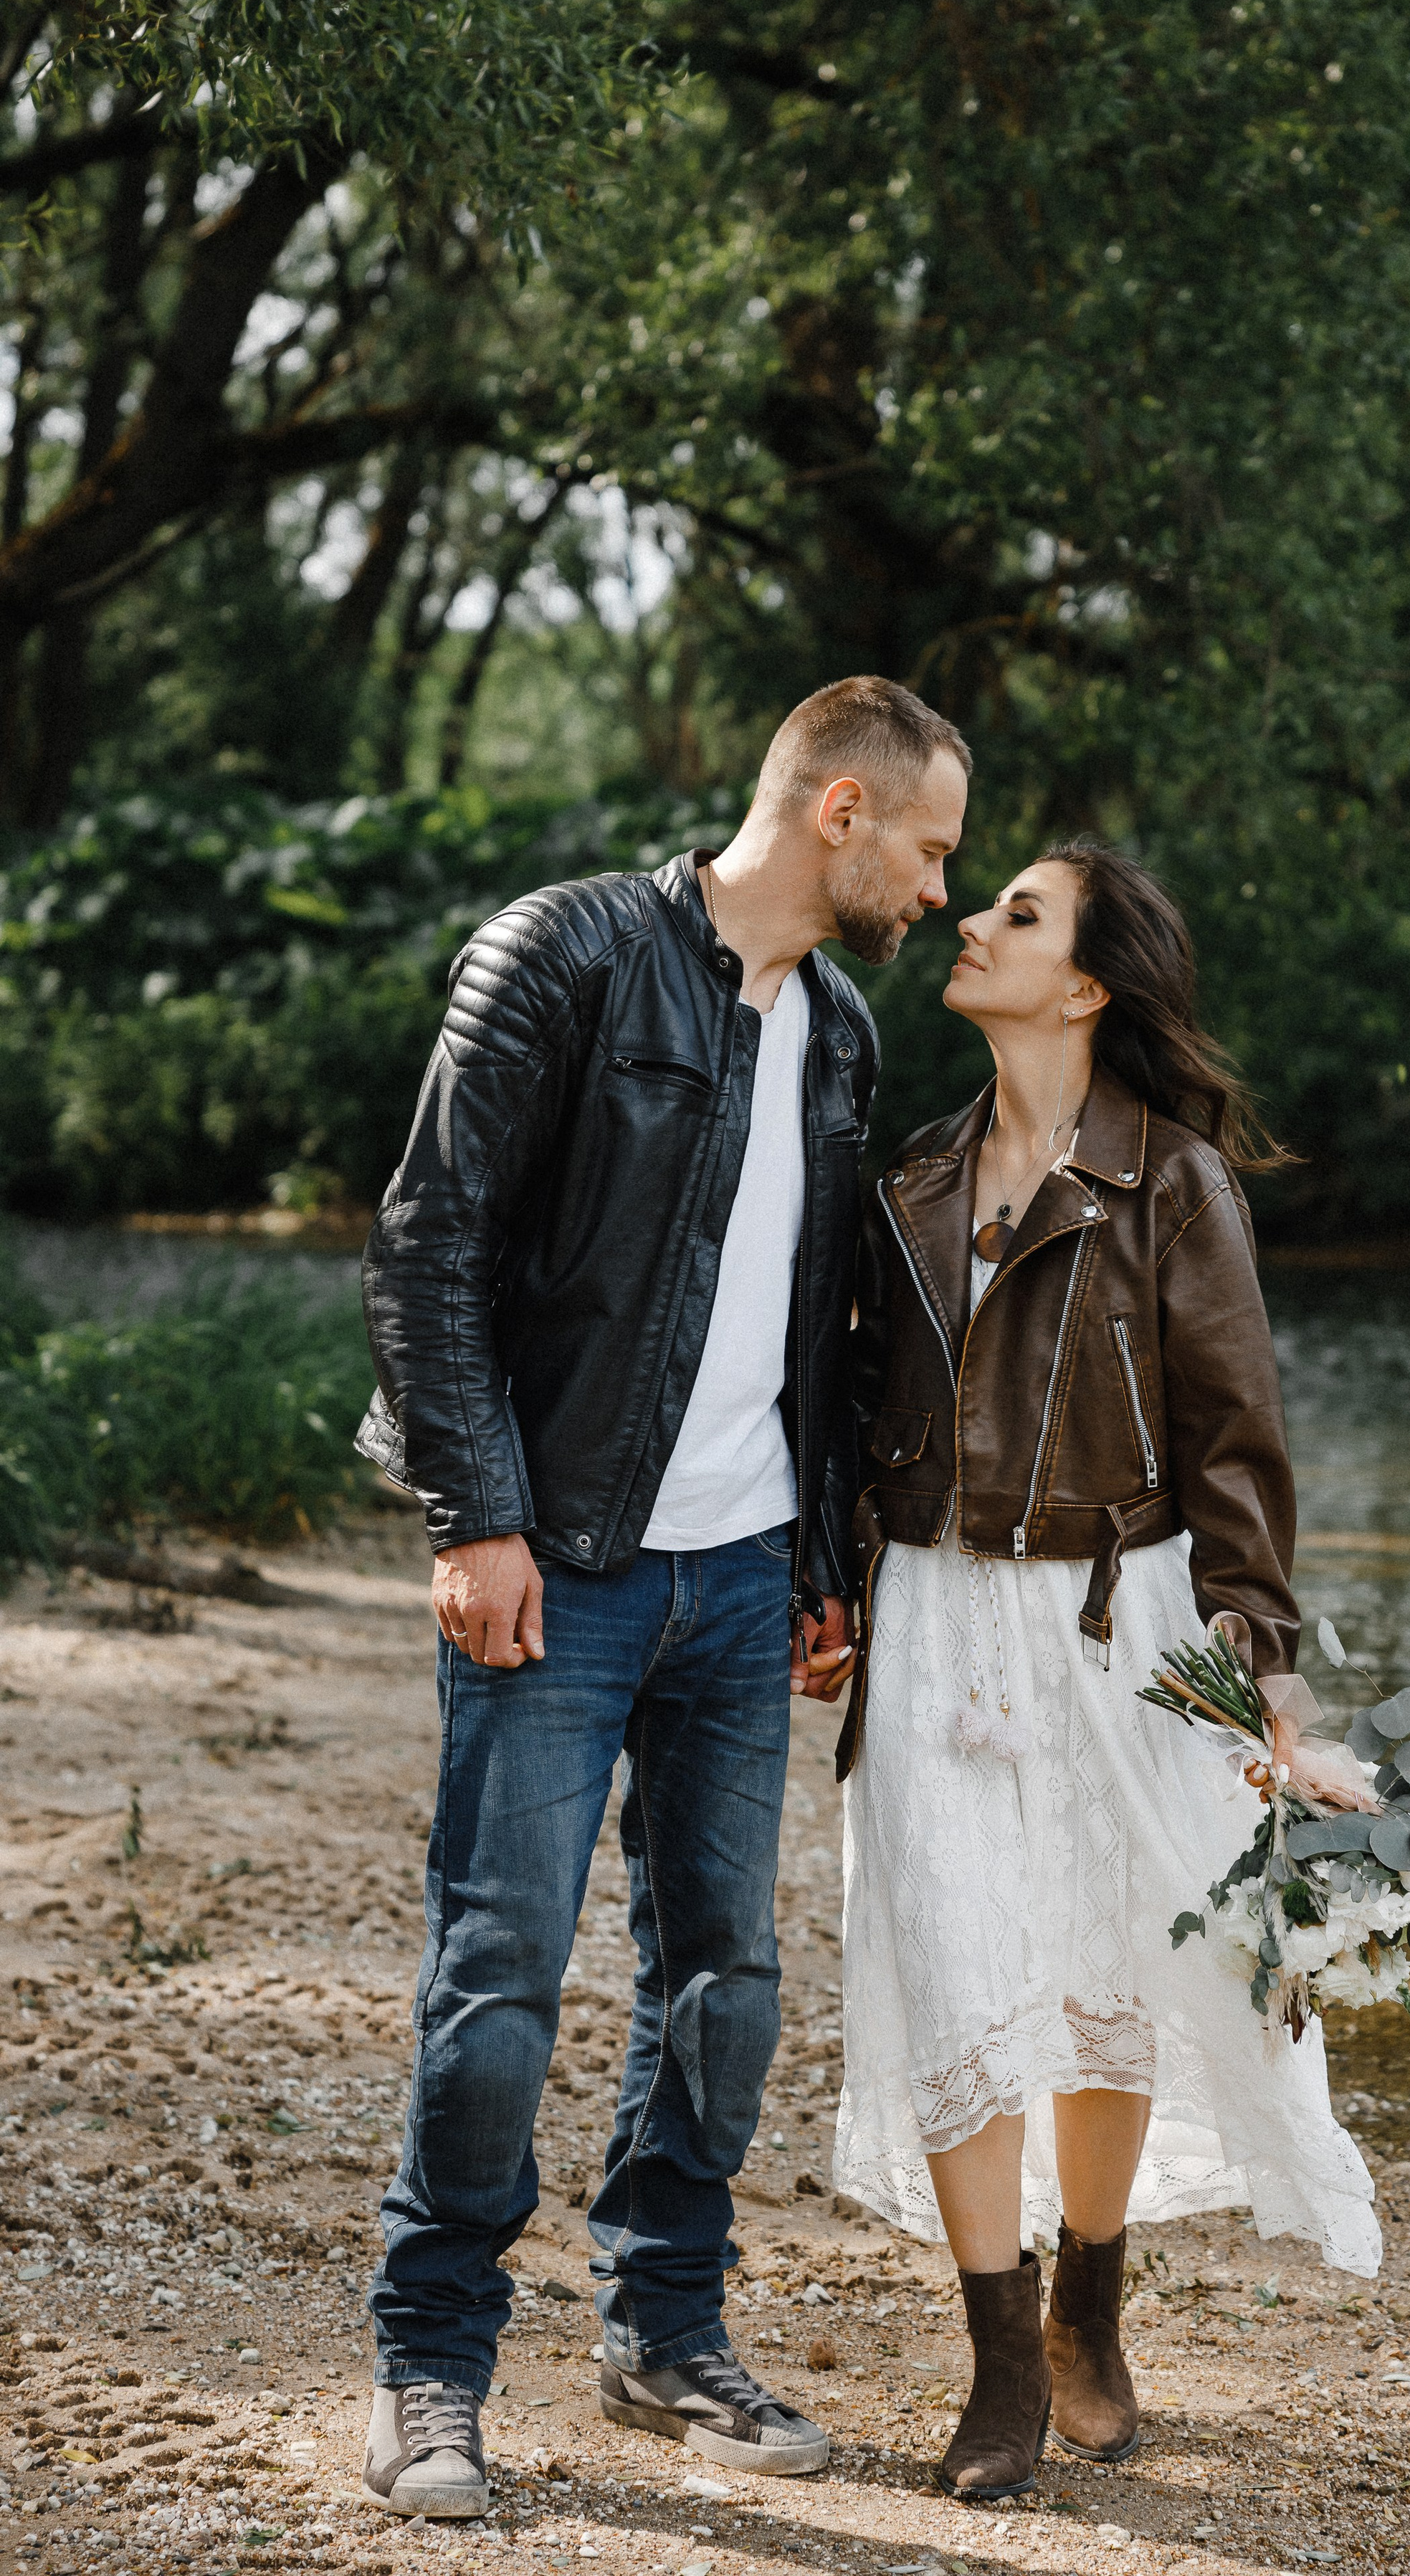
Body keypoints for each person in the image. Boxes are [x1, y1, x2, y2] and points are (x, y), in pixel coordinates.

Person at [352, 677, 970, 2519]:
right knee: (500, 1978)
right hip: (563, 1565)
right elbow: (428, 1238)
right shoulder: (563, 953)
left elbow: (811, 1324)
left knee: (725, 1985)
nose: (941, 889)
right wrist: (478, 1516)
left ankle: (661, 2332)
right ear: (842, 809)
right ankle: (428, 2365)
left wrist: (818, 1562)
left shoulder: (839, 1031)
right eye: (932, 848)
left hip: (736, 1572)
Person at [834, 841, 1379, 2502]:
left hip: (1117, 1616)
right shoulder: (912, 1176)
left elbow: (1235, 1445)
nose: (969, 921)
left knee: (1100, 1968)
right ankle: (998, 2365)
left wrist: (1262, 1674)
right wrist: (831, 1584)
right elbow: (863, 1415)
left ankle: (1086, 2308)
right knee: (947, 1957)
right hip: (930, 1614)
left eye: (1014, 912)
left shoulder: (1173, 1184)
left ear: (1083, 985)